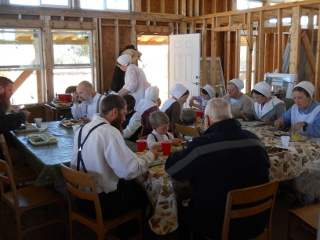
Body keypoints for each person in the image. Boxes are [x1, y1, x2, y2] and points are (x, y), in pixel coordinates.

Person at [165, 98, 270, 240]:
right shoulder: (255, 140)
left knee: (181, 212)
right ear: (231, 117)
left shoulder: (202, 146)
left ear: (207, 120)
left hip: (217, 225)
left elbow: (173, 169)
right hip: (257, 220)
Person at [70, 94, 159, 221]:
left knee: (128, 187)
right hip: (100, 205)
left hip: (81, 199)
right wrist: (150, 155)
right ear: (115, 111)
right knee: (143, 194)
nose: (124, 119)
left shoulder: (82, 129)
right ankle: (127, 233)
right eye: (123, 114)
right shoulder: (110, 132)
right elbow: (129, 171)